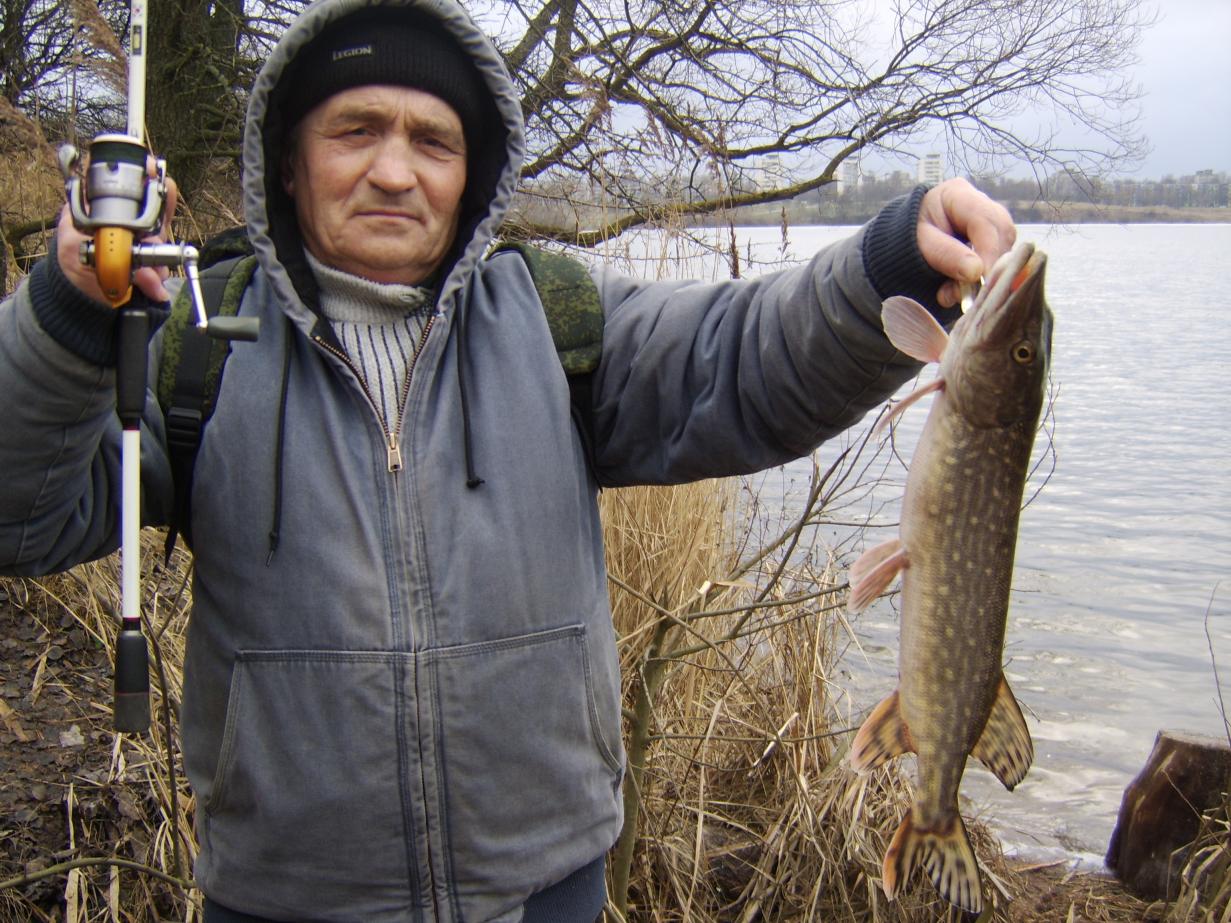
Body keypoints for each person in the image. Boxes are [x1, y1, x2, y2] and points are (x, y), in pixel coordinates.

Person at [0, 0, 1016, 919]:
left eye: (432, 140)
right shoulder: (197, 347)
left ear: (471, 172)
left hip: (543, 892)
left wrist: (893, 262)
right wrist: (69, 315)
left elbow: (742, 356)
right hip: (282, 897)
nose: (394, 171)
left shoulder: (555, 322)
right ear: (289, 160)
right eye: (355, 130)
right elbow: (23, 516)